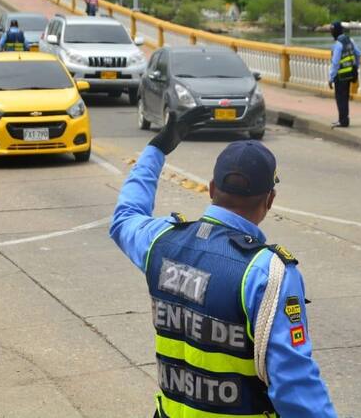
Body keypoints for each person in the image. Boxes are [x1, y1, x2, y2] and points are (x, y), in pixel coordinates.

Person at [110, 107, 338, 418]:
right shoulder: (266, 272)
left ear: (212, 188)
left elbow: (125, 218)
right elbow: (294, 387)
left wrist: (157, 148)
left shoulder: (161, 241)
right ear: (269, 200)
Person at [328, 21, 361, 128]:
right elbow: (358, 54)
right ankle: (343, 119)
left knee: (340, 98)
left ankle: (343, 121)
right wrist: (356, 66)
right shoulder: (350, 40)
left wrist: (331, 78)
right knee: (345, 98)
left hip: (340, 76)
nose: (331, 33)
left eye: (332, 31)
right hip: (349, 75)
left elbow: (335, 63)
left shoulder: (338, 44)